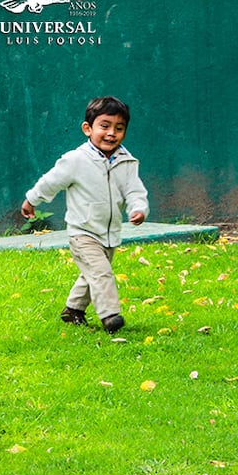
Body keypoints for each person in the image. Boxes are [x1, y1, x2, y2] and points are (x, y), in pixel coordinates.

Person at [21, 96, 149, 334]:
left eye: (119, 128)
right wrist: (32, 200)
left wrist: (138, 208)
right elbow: (50, 182)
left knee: (91, 274)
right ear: (87, 128)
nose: (111, 133)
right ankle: (110, 315)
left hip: (110, 233)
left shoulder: (127, 162)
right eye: (104, 126)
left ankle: (73, 311)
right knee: (100, 272)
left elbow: (134, 190)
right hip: (83, 231)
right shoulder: (76, 160)